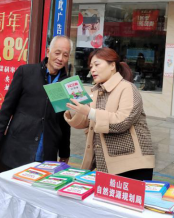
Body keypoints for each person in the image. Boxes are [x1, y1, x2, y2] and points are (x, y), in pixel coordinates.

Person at [64, 48, 155, 181]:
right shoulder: (95, 92)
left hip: (132, 166)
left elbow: (123, 121)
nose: (92, 70)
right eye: (91, 66)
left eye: (97, 65)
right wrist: (73, 108)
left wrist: (89, 112)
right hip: (105, 165)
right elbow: (85, 122)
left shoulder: (128, 88)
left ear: (112, 65)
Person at [0, 35, 73, 171]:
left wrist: (64, 152)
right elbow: (7, 107)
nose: (60, 58)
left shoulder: (66, 84)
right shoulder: (26, 72)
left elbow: (64, 121)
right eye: (57, 53)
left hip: (47, 150)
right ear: (48, 51)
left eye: (65, 55)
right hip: (19, 145)